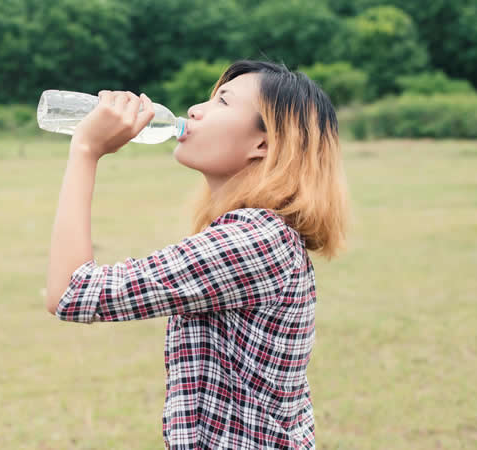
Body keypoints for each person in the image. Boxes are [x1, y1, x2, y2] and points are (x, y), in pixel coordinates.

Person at [45, 59, 350, 449]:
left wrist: (86, 150)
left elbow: (72, 293)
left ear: (263, 144)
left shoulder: (254, 241)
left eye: (223, 102)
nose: (195, 110)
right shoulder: (259, 233)